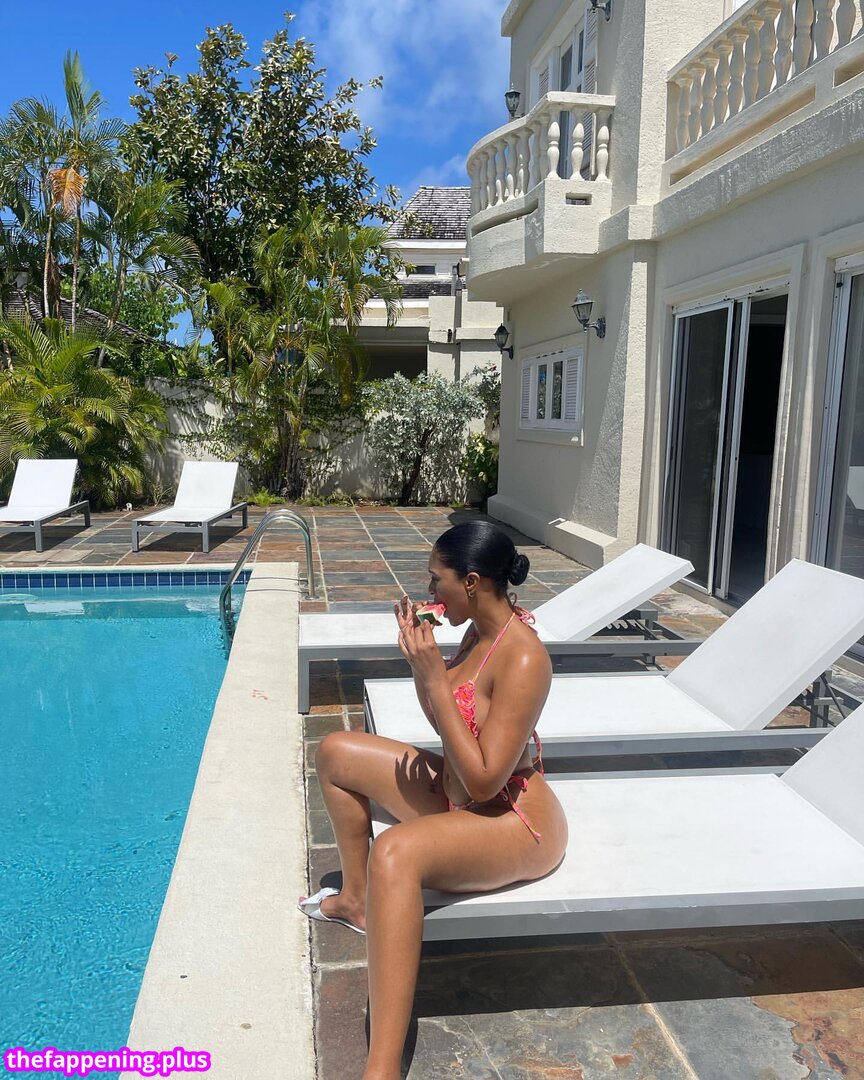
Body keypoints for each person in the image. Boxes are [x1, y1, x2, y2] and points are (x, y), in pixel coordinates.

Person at [299, 520, 568, 1080]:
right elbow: (448, 729)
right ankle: (356, 901)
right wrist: (422, 669)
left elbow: (485, 782)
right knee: (336, 751)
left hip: (511, 817)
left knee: (395, 852)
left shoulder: (524, 657)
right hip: (460, 791)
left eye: (435, 579)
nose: (429, 592)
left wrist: (435, 680)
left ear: (470, 582)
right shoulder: (475, 633)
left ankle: (381, 1068)